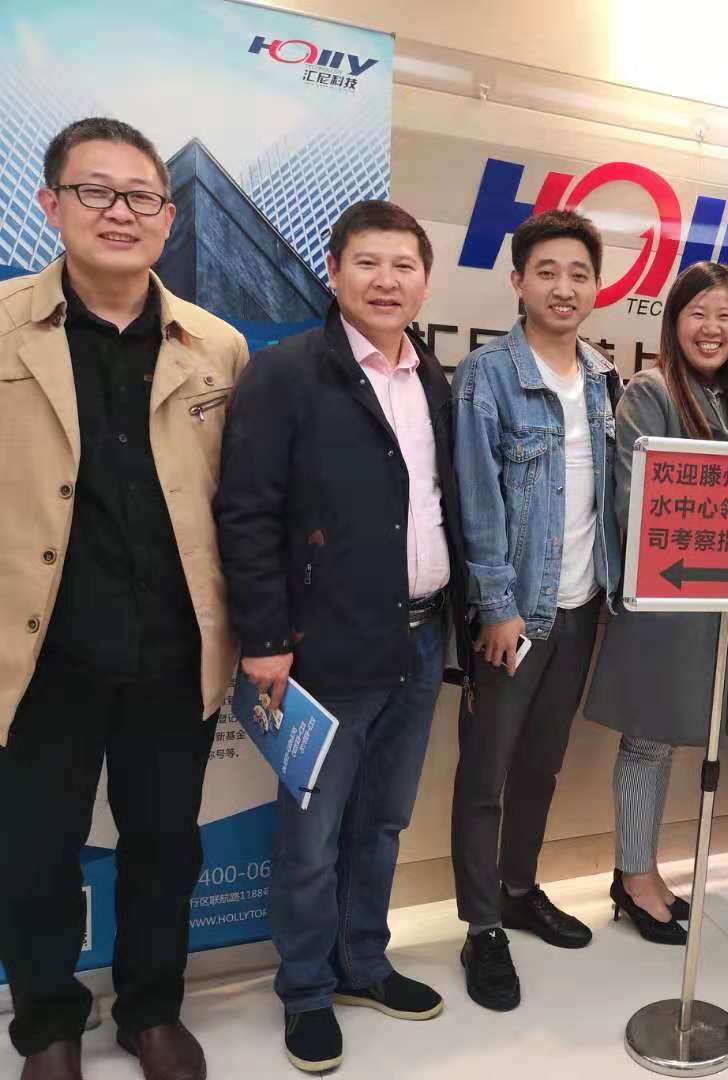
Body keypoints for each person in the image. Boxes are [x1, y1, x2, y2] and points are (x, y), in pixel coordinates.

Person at [0, 118, 247, 1080]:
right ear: (50, 204)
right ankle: (48, 1024)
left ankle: (151, 1010)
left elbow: (244, 501)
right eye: (94, 191)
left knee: (163, 848)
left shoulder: (217, 346)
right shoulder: (5, 326)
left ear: (168, 216)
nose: (120, 212)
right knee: (34, 853)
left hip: (171, 653)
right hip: (37, 655)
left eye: (141, 195)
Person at [215, 200, 465, 1073]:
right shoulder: (287, 373)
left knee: (383, 821)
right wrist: (264, 636)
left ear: (425, 280)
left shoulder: (432, 378)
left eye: (404, 265)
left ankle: (364, 962)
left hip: (421, 639)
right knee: (312, 836)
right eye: (368, 262)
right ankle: (306, 991)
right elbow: (247, 514)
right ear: (334, 271)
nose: (386, 281)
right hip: (324, 646)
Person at [450, 210, 623, 1010]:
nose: (564, 287)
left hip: (583, 608)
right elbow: (475, 501)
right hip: (514, 616)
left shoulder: (603, 376)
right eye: (547, 272)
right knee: (485, 771)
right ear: (518, 281)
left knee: (542, 763)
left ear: (597, 287)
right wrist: (495, 605)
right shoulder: (486, 374)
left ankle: (519, 887)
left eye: (579, 274)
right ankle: (481, 925)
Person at [586, 262, 728, 945]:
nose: (712, 329)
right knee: (647, 741)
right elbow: (637, 503)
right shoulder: (650, 392)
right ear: (673, 321)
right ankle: (633, 878)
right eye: (698, 313)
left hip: (713, 603)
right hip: (665, 597)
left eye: (725, 315)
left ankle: (643, 870)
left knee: (666, 744)